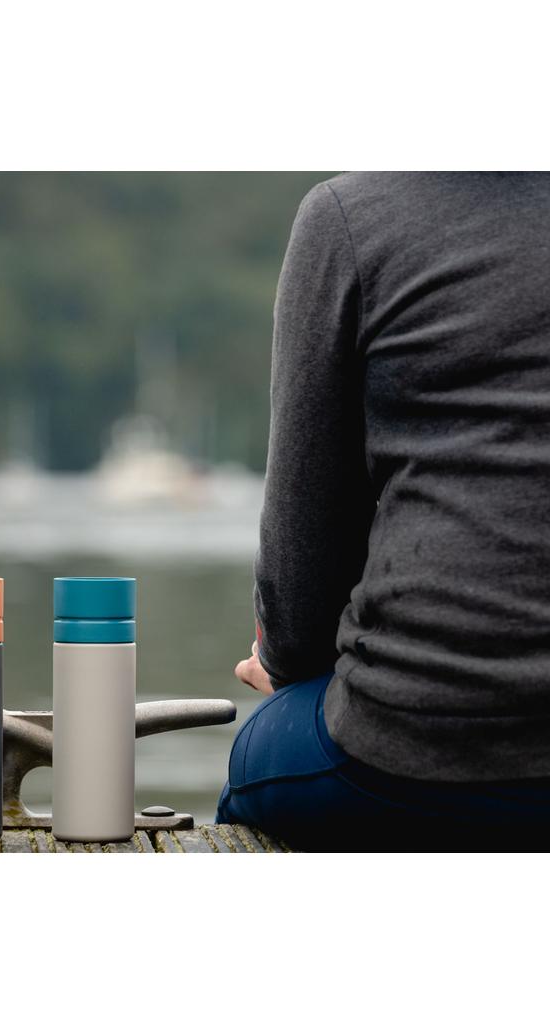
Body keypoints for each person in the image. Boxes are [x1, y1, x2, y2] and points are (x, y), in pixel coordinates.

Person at [216, 172, 550, 851]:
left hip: (414, 748)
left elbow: (302, 559)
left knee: (262, 745)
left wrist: (281, 661)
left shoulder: (353, 216)